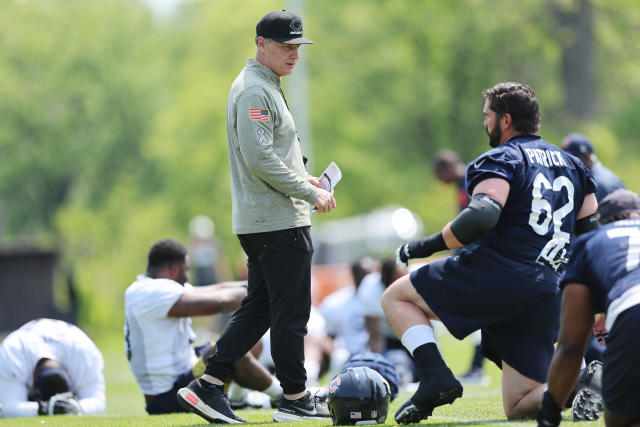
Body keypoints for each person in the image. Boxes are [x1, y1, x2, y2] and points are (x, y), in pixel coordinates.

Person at [382, 82, 598, 424]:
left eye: (487, 116)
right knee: (521, 404)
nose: (485, 124)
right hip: (546, 287)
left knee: (396, 298)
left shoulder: (502, 157)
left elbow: (481, 216)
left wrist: (422, 246)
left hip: (499, 273)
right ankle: (588, 383)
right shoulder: (574, 165)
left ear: (506, 120)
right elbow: (592, 235)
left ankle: (435, 376)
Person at [177, 9, 336, 424]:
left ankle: (209, 386)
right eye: (286, 46)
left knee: (260, 311)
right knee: (292, 315)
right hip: (277, 220)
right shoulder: (253, 90)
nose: (294, 55)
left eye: (298, 47)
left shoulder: (264, 84)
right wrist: (306, 192)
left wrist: (308, 177)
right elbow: (260, 157)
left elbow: (270, 154)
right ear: (261, 44)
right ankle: (296, 399)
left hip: (268, 219)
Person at [124, 238, 282, 415]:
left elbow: (217, 288)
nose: (187, 276)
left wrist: (261, 283)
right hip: (170, 397)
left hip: (182, 378)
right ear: (174, 269)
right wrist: (262, 291)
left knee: (250, 343)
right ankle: (283, 396)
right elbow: (220, 303)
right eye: (186, 270)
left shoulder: (147, 288)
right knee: (226, 350)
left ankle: (239, 400)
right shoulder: (153, 292)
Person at [537, 189, 640, 427]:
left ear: (605, 222)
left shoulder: (591, 242)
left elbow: (571, 346)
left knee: (623, 419)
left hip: (632, 312)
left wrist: (549, 413)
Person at [432, 150, 487, 384]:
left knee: (482, 312)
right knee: (482, 313)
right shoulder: (464, 179)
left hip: (478, 255)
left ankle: (477, 367)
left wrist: (459, 251)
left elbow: (470, 219)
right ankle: (477, 366)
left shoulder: (466, 179)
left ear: (447, 168)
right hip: (475, 253)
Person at [0, 318, 105, 418]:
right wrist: (45, 408)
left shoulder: (84, 352)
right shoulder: (13, 352)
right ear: (68, 375)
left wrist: (73, 407)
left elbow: (99, 402)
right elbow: (7, 408)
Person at [562, 133, 626, 202]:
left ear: (586, 156)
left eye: (572, 158)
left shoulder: (600, 183)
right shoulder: (585, 176)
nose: (567, 161)